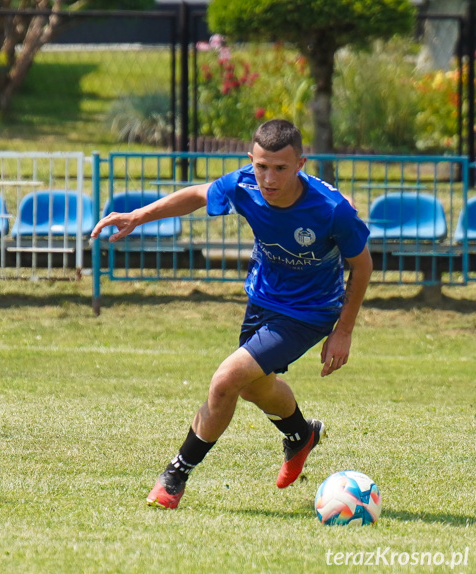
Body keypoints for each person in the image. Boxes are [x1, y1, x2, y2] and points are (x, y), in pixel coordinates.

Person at [91, 119, 373, 509]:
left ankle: (175, 474)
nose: (269, 178)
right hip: (263, 301)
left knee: (226, 380)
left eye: (280, 168)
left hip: (309, 312)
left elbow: (362, 266)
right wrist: (138, 216)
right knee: (254, 387)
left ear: (301, 164)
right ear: (250, 161)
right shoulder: (244, 185)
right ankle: (300, 434)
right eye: (261, 166)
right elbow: (196, 194)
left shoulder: (331, 210)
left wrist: (343, 331)